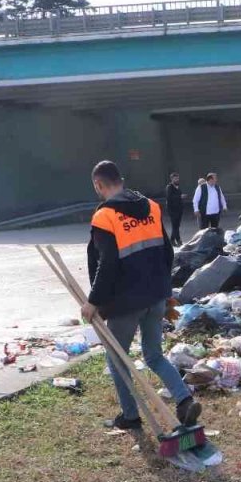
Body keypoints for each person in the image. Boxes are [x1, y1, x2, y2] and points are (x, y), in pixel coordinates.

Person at [83, 160, 202, 431]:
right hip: (155, 296)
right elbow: (167, 252)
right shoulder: (151, 206)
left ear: (98, 185)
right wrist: (165, 289)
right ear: (121, 179)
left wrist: (93, 301)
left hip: (125, 303)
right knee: (154, 355)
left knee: (118, 359)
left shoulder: (105, 216)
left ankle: (130, 416)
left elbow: (107, 263)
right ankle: (184, 400)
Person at [164, 172, 184, 245]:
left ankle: (172, 240)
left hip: (179, 210)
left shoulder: (178, 187)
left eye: (178, 178)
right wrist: (180, 196)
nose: (177, 180)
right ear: (172, 179)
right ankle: (178, 240)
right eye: (175, 178)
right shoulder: (169, 187)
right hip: (172, 210)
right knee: (175, 226)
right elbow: (169, 197)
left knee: (176, 226)